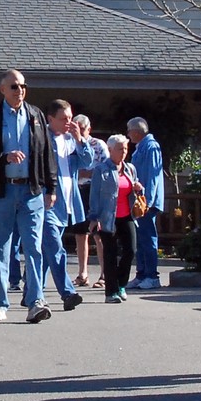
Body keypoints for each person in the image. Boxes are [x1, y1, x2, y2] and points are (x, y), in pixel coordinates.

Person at [0, 69, 58, 324]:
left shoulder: (35, 115)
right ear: (2, 89)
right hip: (1, 191)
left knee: (33, 247)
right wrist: (5, 157)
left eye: (23, 86)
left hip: (30, 190)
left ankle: (35, 302)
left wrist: (51, 187)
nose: (19, 90)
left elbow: (46, 153)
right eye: (14, 86)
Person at [41, 99, 94, 311]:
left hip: (67, 203)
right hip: (46, 202)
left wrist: (80, 139)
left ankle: (31, 292)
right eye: (63, 119)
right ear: (50, 119)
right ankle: (68, 292)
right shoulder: (42, 137)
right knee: (56, 248)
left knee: (47, 252)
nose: (68, 123)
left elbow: (88, 163)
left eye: (71, 118)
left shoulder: (71, 140)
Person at [87, 134, 143, 303]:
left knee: (130, 250)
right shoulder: (101, 169)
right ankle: (110, 292)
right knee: (110, 255)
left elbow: (136, 189)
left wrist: (139, 189)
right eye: (120, 149)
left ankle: (121, 284)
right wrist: (94, 217)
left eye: (125, 148)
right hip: (107, 217)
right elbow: (94, 194)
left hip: (127, 216)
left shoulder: (130, 168)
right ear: (110, 150)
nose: (123, 152)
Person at [125, 117, 164, 289]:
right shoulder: (141, 147)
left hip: (146, 202)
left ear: (137, 132)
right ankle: (141, 274)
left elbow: (153, 175)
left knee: (148, 238)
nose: (128, 134)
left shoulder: (151, 146)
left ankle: (152, 276)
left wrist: (146, 199)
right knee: (140, 239)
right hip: (139, 201)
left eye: (129, 130)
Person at [72, 114, 109, 287]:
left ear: (88, 128)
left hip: (95, 191)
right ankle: (82, 273)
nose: (79, 132)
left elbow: (107, 170)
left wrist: (87, 174)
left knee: (98, 233)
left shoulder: (98, 145)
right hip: (76, 190)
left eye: (82, 129)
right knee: (80, 233)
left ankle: (104, 274)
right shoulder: (70, 142)